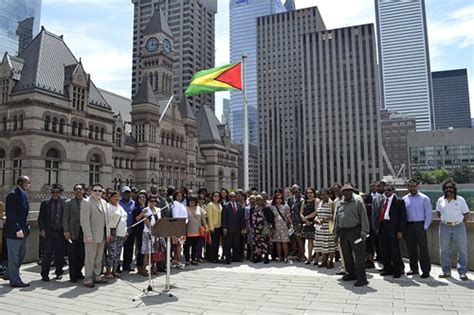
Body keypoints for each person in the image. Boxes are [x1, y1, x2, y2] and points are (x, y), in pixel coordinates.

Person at [334, 184, 369, 287]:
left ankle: (362, 278)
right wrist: (336, 233)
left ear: (352, 191)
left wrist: (364, 231)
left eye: (349, 191)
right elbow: (337, 218)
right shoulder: (340, 203)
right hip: (343, 232)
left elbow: (363, 216)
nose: (347, 193)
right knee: (346, 255)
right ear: (342, 193)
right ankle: (351, 274)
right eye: (345, 191)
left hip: (356, 231)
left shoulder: (358, 201)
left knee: (359, 256)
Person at [436, 179, 470, 281]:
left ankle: (462, 272)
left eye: (450, 187)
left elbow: (466, 215)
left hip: (459, 226)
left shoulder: (460, 200)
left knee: (462, 250)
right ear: (444, 189)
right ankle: (446, 271)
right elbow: (438, 212)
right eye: (446, 188)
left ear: (454, 189)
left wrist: (458, 222)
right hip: (444, 227)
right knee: (444, 250)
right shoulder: (440, 200)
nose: (448, 189)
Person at [373, 184, 406, 278]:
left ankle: (397, 270)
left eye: (389, 190)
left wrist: (400, 231)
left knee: (394, 250)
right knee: (384, 249)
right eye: (385, 190)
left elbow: (402, 217)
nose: (387, 192)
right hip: (383, 226)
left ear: (393, 191)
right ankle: (387, 269)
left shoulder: (399, 201)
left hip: (393, 227)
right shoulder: (382, 200)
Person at [80, 183, 110, 288]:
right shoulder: (86, 202)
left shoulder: (104, 202)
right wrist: (88, 235)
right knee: (90, 258)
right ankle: (88, 278)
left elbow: (107, 220)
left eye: (99, 191)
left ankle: (97, 276)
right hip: (91, 236)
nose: (97, 192)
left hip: (102, 235)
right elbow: (84, 221)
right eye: (95, 190)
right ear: (91, 191)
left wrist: (108, 233)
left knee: (98, 258)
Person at [4, 176, 31, 287]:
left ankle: (8, 274)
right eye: (27, 182)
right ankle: (15, 280)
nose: (29, 184)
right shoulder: (13, 195)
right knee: (14, 256)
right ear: (21, 183)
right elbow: (11, 215)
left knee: (22, 254)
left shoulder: (23, 194)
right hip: (14, 231)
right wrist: (17, 229)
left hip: (23, 230)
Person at [403, 179, 432, 278]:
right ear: (408, 187)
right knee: (411, 249)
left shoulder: (424, 198)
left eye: (414, 186)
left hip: (420, 225)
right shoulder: (404, 199)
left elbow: (428, 213)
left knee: (423, 249)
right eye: (410, 186)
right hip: (409, 226)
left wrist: (425, 226)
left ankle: (425, 271)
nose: (412, 188)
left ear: (417, 186)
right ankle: (414, 269)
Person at [38, 183, 66, 281]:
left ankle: (59, 272)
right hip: (49, 232)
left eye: (57, 192)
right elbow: (40, 218)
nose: (55, 194)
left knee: (60, 254)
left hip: (60, 232)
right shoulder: (45, 203)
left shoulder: (65, 202)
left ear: (60, 193)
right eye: (53, 192)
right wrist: (42, 229)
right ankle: (44, 274)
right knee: (47, 254)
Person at [63, 183, 85, 283]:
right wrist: (66, 231)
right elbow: (65, 218)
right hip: (72, 232)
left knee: (82, 255)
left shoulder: (86, 202)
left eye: (80, 189)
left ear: (83, 191)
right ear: (73, 191)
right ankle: (73, 276)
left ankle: (78, 272)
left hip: (84, 232)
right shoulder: (68, 202)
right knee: (72, 255)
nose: (78, 191)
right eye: (76, 189)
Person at [105, 191, 128, 278]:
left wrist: (125, 231)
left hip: (121, 233)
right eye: (114, 196)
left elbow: (124, 219)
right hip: (113, 232)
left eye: (118, 196)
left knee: (118, 253)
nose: (117, 198)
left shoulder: (120, 206)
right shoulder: (108, 206)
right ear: (110, 197)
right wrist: (109, 233)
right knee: (112, 252)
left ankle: (114, 271)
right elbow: (107, 221)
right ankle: (108, 271)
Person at [314, 188, 336, 269]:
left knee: (330, 245)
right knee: (322, 245)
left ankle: (331, 261)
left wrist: (324, 219)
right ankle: (324, 261)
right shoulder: (320, 202)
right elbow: (317, 214)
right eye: (321, 195)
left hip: (328, 227)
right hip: (320, 228)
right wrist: (316, 219)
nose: (323, 196)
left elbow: (334, 215)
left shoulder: (332, 203)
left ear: (328, 194)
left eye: (325, 194)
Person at [222, 192, 245, 264]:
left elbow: (241, 218)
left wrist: (242, 228)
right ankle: (228, 258)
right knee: (228, 245)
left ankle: (236, 258)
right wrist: (224, 228)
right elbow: (224, 218)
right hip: (228, 229)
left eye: (234, 196)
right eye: (231, 196)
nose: (233, 198)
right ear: (229, 197)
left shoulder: (239, 206)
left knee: (236, 244)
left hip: (237, 229)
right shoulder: (225, 206)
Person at [140, 195, 160, 276]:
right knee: (147, 252)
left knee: (154, 251)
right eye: (151, 201)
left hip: (157, 233)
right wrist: (153, 231)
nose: (153, 202)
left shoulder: (158, 210)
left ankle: (153, 267)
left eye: (155, 201)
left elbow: (159, 221)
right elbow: (147, 222)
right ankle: (144, 268)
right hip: (148, 232)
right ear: (148, 202)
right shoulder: (146, 210)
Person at [270, 192, 292, 263]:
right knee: (278, 242)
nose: (279, 200)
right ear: (275, 199)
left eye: (280, 198)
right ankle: (279, 257)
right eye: (277, 198)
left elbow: (288, 216)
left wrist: (291, 224)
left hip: (284, 226)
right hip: (276, 227)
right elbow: (270, 217)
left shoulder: (286, 206)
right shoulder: (272, 207)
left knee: (285, 242)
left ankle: (286, 257)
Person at [184, 195, 206, 265]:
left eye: (194, 201)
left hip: (197, 230)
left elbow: (203, 218)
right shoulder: (185, 208)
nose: (192, 202)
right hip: (188, 230)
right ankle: (187, 259)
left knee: (195, 246)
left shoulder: (199, 208)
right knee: (187, 246)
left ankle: (193, 259)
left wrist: (206, 227)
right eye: (191, 201)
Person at [252, 195, 274, 264]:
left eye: (260, 200)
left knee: (265, 242)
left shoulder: (266, 208)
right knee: (257, 243)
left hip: (265, 228)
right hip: (256, 228)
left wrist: (272, 227)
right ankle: (258, 257)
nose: (259, 201)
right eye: (257, 200)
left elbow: (271, 218)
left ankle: (266, 257)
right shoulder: (253, 208)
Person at [299, 187, 318, 264]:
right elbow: (301, 212)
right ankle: (309, 257)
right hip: (306, 223)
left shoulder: (316, 200)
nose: (309, 194)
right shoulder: (304, 202)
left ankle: (316, 258)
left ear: (314, 193)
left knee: (316, 241)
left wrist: (307, 217)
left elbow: (316, 212)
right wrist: (304, 219)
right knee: (309, 240)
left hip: (315, 223)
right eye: (308, 193)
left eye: (311, 192)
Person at [119, 186, 136, 272]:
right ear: (121, 194)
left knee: (129, 249)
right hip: (120, 231)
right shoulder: (118, 203)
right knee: (118, 249)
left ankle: (127, 265)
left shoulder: (133, 203)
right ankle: (117, 267)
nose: (127, 194)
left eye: (128, 193)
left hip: (130, 230)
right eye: (125, 193)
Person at [172, 190, 188, 267]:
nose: (179, 197)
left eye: (181, 196)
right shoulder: (175, 204)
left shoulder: (181, 204)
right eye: (178, 195)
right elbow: (175, 216)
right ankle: (177, 260)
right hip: (178, 226)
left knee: (179, 244)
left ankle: (176, 260)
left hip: (182, 225)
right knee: (177, 244)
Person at [132, 190, 148, 275]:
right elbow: (137, 219)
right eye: (140, 197)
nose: (142, 199)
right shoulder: (136, 208)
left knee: (146, 250)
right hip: (139, 231)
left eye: (144, 197)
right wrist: (142, 213)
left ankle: (144, 266)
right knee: (140, 248)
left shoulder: (148, 207)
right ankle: (139, 266)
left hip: (147, 230)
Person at [288, 185, 305, 261]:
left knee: (301, 239)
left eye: (297, 190)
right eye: (294, 190)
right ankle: (299, 254)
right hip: (293, 222)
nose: (296, 192)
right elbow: (289, 211)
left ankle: (302, 255)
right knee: (295, 239)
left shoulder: (303, 199)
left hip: (300, 222)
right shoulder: (290, 199)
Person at [207, 192, 222, 263]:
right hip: (213, 227)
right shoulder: (210, 205)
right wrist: (211, 227)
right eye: (215, 196)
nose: (216, 197)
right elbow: (209, 217)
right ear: (212, 197)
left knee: (217, 243)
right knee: (212, 243)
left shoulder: (219, 205)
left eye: (218, 196)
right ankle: (211, 258)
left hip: (219, 227)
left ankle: (216, 256)